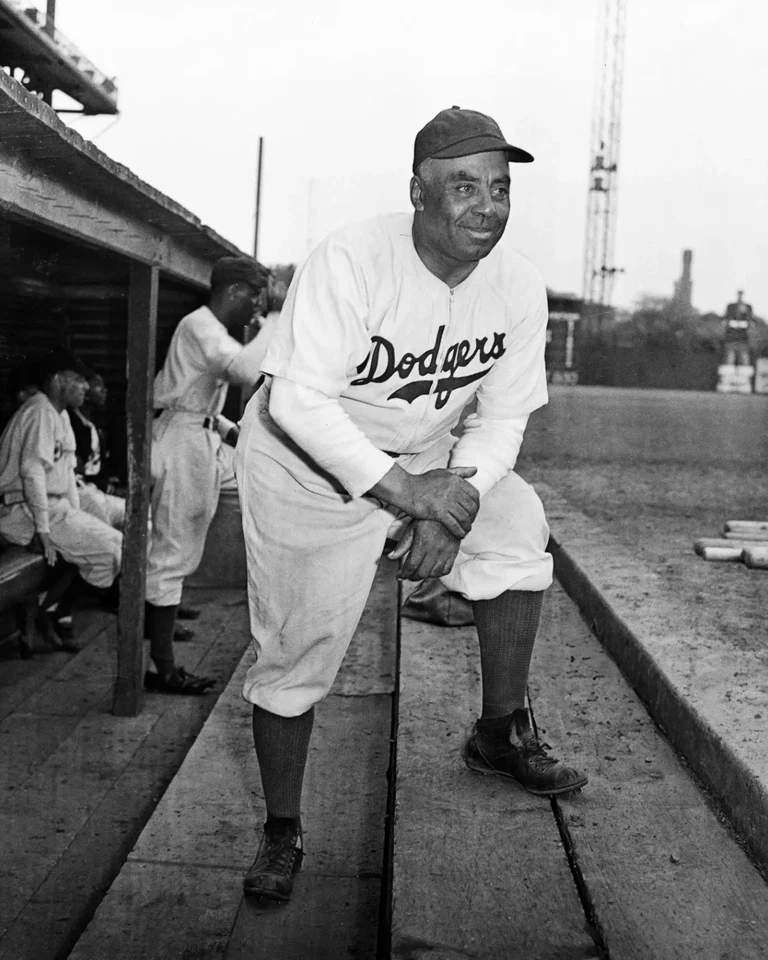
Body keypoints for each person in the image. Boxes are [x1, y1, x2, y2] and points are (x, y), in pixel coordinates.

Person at [234, 106, 588, 903]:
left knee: (517, 525)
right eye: (464, 187)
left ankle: (500, 732)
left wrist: (451, 504)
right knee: (297, 658)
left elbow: (503, 419)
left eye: (500, 188)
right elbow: (298, 407)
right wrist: (408, 496)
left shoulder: (518, 285)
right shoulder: (354, 259)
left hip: (425, 461)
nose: (487, 206)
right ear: (418, 193)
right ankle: (282, 828)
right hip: (305, 470)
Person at [144, 255, 270, 695]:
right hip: (179, 441)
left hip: (200, 435)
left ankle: (164, 614)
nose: (256, 308)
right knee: (171, 548)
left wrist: (230, 432)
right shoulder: (199, 325)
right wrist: (276, 322)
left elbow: (207, 400)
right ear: (234, 291)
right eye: (254, 297)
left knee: (191, 538)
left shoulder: (212, 329)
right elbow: (246, 371)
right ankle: (162, 668)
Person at [0, 348, 123, 648]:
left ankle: (50, 609)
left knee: (112, 547)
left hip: (50, 506)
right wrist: (42, 530)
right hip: (21, 509)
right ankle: (50, 611)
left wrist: (78, 515)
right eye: (78, 380)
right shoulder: (39, 411)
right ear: (58, 380)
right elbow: (31, 473)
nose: (85, 387)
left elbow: (67, 474)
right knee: (113, 550)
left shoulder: (60, 414)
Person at [68, 371, 126, 530]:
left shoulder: (94, 424)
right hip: (79, 493)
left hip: (95, 491)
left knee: (143, 516)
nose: (105, 391)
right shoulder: (70, 423)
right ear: (85, 391)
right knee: (109, 532)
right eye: (99, 386)